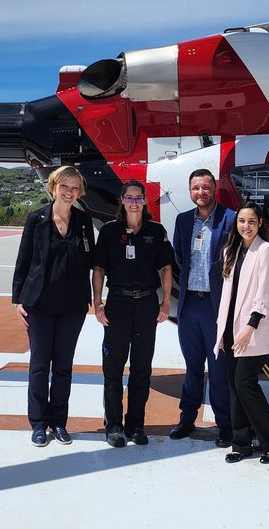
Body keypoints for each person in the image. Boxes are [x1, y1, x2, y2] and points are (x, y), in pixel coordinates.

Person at [11, 165, 96, 448]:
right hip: (39, 305)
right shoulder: (37, 219)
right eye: (65, 186)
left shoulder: (84, 221)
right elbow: (23, 261)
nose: (70, 192)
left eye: (75, 188)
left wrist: (92, 298)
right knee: (38, 367)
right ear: (53, 186)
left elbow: (89, 261)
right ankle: (38, 424)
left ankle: (59, 422)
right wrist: (17, 300)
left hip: (72, 307)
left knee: (63, 368)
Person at [92, 180, 175, 448]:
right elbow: (98, 269)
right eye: (130, 198)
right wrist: (97, 300)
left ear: (144, 202)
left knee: (142, 369)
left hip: (147, 304)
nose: (134, 202)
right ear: (122, 201)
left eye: (139, 198)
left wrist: (164, 304)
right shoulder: (109, 232)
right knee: (113, 369)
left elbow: (166, 268)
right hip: (118, 304)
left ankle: (135, 425)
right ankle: (114, 426)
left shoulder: (156, 231)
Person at [170, 169, 236, 447]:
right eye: (196, 188)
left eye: (205, 187)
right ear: (190, 191)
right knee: (192, 367)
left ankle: (225, 425)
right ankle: (187, 419)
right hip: (189, 307)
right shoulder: (183, 221)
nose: (201, 193)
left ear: (214, 188)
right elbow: (179, 257)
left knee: (219, 369)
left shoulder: (230, 218)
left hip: (215, 307)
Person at [214, 202, 269, 464]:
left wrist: (250, 327)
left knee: (246, 384)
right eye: (242, 221)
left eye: (251, 221)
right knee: (235, 387)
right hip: (230, 329)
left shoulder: (266, 250)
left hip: (251, 330)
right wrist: (224, 329)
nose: (246, 226)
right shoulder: (232, 250)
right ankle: (241, 444)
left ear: (260, 223)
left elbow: (264, 293)